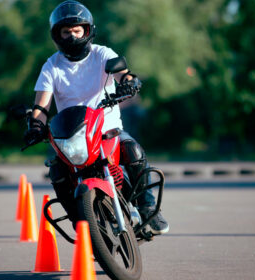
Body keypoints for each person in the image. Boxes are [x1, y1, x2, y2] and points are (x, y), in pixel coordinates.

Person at [24, 0, 169, 235]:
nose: (72, 36)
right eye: (66, 31)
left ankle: (149, 209)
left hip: (106, 129)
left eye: (77, 30)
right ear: (57, 35)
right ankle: (80, 224)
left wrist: (129, 83)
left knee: (133, 150)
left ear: (87, 31)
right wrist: (36, 125)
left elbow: (123, 74)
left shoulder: (102, 54)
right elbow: (41, 105)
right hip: (71, 137)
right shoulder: (51, 66)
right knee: (57, 173)